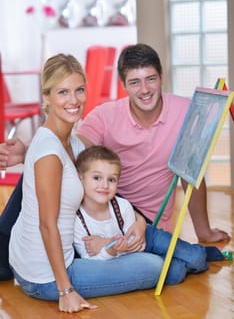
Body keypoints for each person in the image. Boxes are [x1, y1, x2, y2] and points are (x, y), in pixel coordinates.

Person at [0, 43, 229, 251]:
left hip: (147, 220)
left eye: (151, 79)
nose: (144, 89)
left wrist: (204, 232)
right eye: (134, 82)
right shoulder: (105, 115)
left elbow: (190, 176)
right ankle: (3, 246)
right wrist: (28, 152)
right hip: (104, 210)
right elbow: (72, 151)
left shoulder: (184, 112)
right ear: (124, 86)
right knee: (44, 167)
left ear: (162, 76)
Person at [5, 53, 165, 313]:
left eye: (79, 90)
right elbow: (47, 225)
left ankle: (185, 257)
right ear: (46, 97)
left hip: (33, 261)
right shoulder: (49, 151)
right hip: (45, 276)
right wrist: (66, 291)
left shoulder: (72, 143)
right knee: (157, 267)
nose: (74, 100)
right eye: (63, 92)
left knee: (152, 245)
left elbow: (103, 184)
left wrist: (137, 220)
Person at [73, 145, 224, 285]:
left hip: (150, 238)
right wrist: (110, 249)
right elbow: (89, 259)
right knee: (175, 274)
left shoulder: (122, 206)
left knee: (196, 259)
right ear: (81, 178)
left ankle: (201, 252)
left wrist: (105, 242)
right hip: (130, 256)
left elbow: (134, 239)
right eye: (97, 178)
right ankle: (181, 259)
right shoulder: (77, 220)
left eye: (111, 179)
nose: (105, 185)